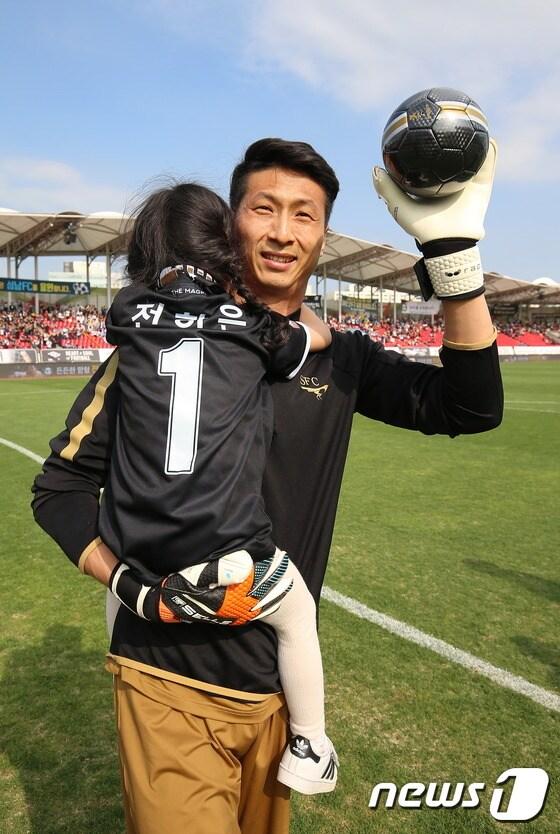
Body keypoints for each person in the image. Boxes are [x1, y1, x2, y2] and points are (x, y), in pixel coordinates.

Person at [32, 137, 503, 834]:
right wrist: (130, 586)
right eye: (265, 208)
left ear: (321, 235)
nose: (283, 230)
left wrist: (453, 253)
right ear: (232, 224)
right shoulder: (155, 354)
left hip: (278, 696)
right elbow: (62, 488)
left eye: (304, 215)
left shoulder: (341, 358)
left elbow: (471, 406)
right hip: (170, 680)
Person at [99, 180, 338, 794]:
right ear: (224, 244)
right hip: (227, 547)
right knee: (298, 615)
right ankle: (311, 745)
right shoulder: (252, 323)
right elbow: (314, 339)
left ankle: (129, 665)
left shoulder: (127, 310)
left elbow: (143, 320)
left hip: (141, 555)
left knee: (119, 594)